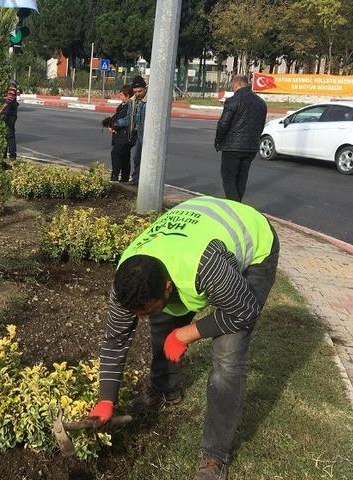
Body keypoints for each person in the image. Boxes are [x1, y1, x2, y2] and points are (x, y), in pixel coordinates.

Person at [87, 195, 280, 480]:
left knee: (227, 355)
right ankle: (165, 390)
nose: (138, 318)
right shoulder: (127, 276)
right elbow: (115, 340)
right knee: (161, 323)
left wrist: (186, 334)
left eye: (145, 309)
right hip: (196, 232)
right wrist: (106, 400)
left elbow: (244, 311)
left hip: (254, 244)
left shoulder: (203, 266)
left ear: (167, 287)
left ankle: (215, 457)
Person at [215, 74, 267, 202]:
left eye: (232, 85)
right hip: (250, 148)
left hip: (232, 147)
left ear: (237, 84)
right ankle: (238, 205)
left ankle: (234, 209)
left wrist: (219, 141)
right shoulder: (261, 103)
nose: (232, 88)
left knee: (229, 179)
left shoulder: (233, 101)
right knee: (241, 179)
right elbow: (260, 125)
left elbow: (223, 124)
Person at [107, 84, 135, 182]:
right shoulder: (122, 105)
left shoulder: (131, 106)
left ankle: (115, 177)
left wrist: (115, 125)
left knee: (116, 153)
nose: (120, 97)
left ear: (127, 95)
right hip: (121, 135)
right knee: (125, 156)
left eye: (121, 95)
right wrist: (110, 123)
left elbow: (127, 120)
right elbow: (116, 116)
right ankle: (124, 178)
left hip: (125, 136)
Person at [128, 75, 148, 185]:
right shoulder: (135, 101)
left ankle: (143, 182)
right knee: (136, 158)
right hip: (139, 133)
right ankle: (136, 180)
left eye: (140, 91)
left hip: (147, 135)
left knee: (145, 159)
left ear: (145, 89)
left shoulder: (150, 101)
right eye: (135, 91)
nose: (137, 94)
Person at [0, 79, 20, 160]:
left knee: (10, 134)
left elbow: (9, 99)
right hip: (5, 113)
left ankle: (12, 155)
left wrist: (1, 109)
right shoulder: (3, 84)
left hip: (10, 114)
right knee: (4, 134)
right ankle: (3, 154)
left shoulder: (12, 86)